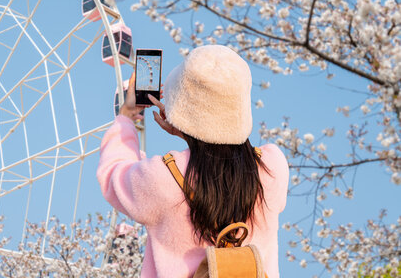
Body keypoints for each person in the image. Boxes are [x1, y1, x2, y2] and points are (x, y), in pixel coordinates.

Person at [98, 45, 289, 278]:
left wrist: (127, 117)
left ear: (181, 108)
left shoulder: (162, 178)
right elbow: (219, 137)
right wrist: (187, 127)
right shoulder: (272, 167)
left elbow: (114, 174)